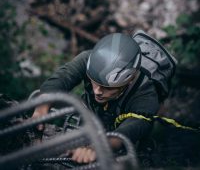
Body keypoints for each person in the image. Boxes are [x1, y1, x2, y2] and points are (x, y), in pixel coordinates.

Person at [32, 32, 164, 164]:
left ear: (128, 81)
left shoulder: (146, 94)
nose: (97, 91)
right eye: (94, 81)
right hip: (95, 116)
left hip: (123, 134)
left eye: (107, 87)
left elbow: (130, 130)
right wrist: (41, 109)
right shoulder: (90, 59)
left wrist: (97, 148)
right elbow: (62, 77)